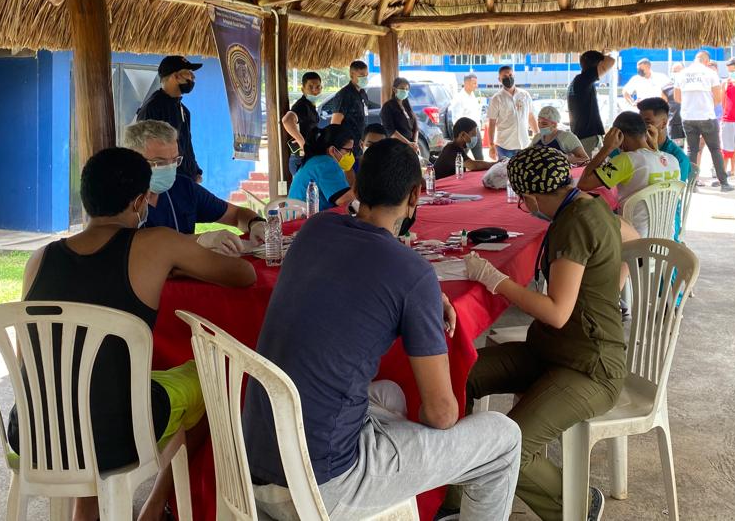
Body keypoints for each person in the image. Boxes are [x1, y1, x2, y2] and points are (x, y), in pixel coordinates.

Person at [243, 139, 522, 521]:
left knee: (389, 393)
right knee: (502, 437)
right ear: (415, 195)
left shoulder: (315, 230)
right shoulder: (412, 273)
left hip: (256, 468)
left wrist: (424, 294)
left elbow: (362, 273)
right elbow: (442, 414)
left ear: (355, 185)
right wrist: (422, 294)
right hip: (321, 487)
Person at [9, 147, 256, 521]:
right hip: (116, 436)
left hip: (33, 432)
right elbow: (244, 276)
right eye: (150, 196)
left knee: (89, 391)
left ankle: (87, 511)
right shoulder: (156, 243)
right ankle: (165, 502)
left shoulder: (39, 258)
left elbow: (28, 356)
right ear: (140, 201)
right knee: (208, 376)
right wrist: (178, 265)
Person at [460, 146, 624, 521]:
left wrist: (495, 280)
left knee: (508, 447)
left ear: (531, 197)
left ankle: (576, 506)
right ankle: (454, 500)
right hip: (549, 352)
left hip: (589, 367)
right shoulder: (587, 204)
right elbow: (626, 242)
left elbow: (556, 312)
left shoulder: (578, 220)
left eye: (522, 200)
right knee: (458, 376)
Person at [124, 121, 266, 254]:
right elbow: (136, 249)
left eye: (174, 160)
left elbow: (236, 215)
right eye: (159, 163)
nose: (168, 168)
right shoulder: (119, 201)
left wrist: (255, 224)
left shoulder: (183, 188)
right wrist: (199, 241)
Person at [579, 112, 681, 237]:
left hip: (633, 238)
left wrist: (606, 148)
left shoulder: (627, 160)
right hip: (666, 238)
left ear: (619, 135)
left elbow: (583, 184)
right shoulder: (673, 160)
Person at [136, 55, 204, 182]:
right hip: (166, 183)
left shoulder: (184, 110)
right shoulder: (152, 108)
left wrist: (195, 171)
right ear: (176, 76)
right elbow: (144, 151)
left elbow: (186, 145)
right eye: (188, 73)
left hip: (186, 181)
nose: (192, 77)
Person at [674, 50, 734, 191]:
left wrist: (691, 106)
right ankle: (724, 184)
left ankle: (692, 184)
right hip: (706, 116)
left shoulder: (682, 74)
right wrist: (705, 106)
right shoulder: (710, 73)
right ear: (707, 61)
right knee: (715, 150)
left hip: (688, 117)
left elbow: (677, 98)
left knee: (692, 150)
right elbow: (718, 98)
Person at [287, 124, 357, 211]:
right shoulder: (326, 164)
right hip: (306, 222)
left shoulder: (315, 161)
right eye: (348, 150)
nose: (350, 154)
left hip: (297, 220)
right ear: (333, 150)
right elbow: (345, 201)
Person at [567, 50, 616, 152]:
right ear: (598, 64)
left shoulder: (577, 81)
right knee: (592, 167)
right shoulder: (585, 79)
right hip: (588, 137)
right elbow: (611, 61)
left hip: (581, 135)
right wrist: (603, 55)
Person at [637, 97, 692, 182]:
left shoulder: (678, 158)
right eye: (639, 122)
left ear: (664, 123)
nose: (640, 127)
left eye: (647, 122)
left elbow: (675, 193)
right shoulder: (633, 146)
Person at [488, 65, 536, 160]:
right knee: (506, 174)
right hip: (505, 147)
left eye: (510, 75)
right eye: (505, 76)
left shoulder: (525, 95)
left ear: (514, 75)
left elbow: (530, 117)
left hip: (525, 145)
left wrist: (538, 135)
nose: (508, 78)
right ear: (499, 79)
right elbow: (492, 123)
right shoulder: (496, 99)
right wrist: (491, 145)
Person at [281, 71, 323, 176]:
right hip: (300, 158)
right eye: (310, 87)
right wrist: (302, 143)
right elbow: (287, 120)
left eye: (318, 87)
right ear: (303, 89)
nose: (314, 91)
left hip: (308, 157)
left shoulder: (311, 105)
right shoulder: (302, 105)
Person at [328, 60, 371, 160]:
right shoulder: (344, 95)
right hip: (348, 149)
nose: (364, 78)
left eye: (366, 75)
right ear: (352, 75)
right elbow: (335, 124)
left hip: (361, 146)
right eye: (361, 75)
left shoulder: (363, 93)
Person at [450, 74, 485, 160]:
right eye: (474, 83)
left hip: (475, 131)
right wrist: (463, 136)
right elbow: (457, 120)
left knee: (480, 158)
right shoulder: (459, 98)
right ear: (466, 83)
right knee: (461, 159)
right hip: (465, 134)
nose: (476, 86)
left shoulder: (473, 96)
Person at [380, 77, 419, 152]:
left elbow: (416, 128)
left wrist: (415, 143)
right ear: (394, 89)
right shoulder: (388, 107)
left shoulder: (407, 106)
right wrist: (408, 143)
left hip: (410, 147)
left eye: (407, 89)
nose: (404, 91)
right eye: (402, 88)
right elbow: (391, 131)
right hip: (396, 147)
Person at [664, 63, 685, 146]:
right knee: (678, 148)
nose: (676, 73)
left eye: (679, 71)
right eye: (674, 71)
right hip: (675, 124)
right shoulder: (666, 87)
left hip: (690, 122)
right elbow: (663, 106)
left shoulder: (689, 86)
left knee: (693, 150)